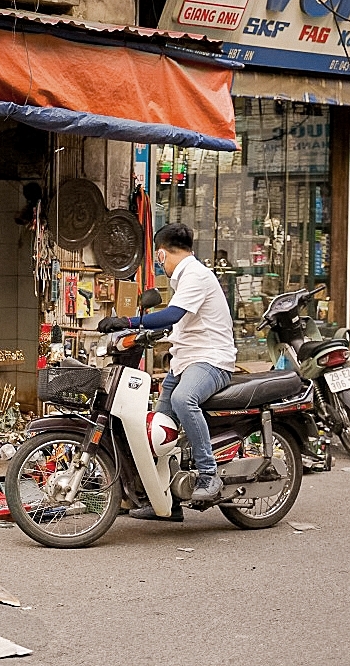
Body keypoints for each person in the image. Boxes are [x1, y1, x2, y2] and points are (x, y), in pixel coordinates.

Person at [97, 222, 237, 520]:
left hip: (212, 360)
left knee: (183, 400)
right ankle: (165, 502)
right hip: (184, 361)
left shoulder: (196, 275)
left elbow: (173, 314)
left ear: (161, 254)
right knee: (156, 429)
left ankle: (208, 474)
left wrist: (129, 321)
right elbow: (173, 323)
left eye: (157, 259)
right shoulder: (183, 278)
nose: (159, 265)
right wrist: (138, 331)